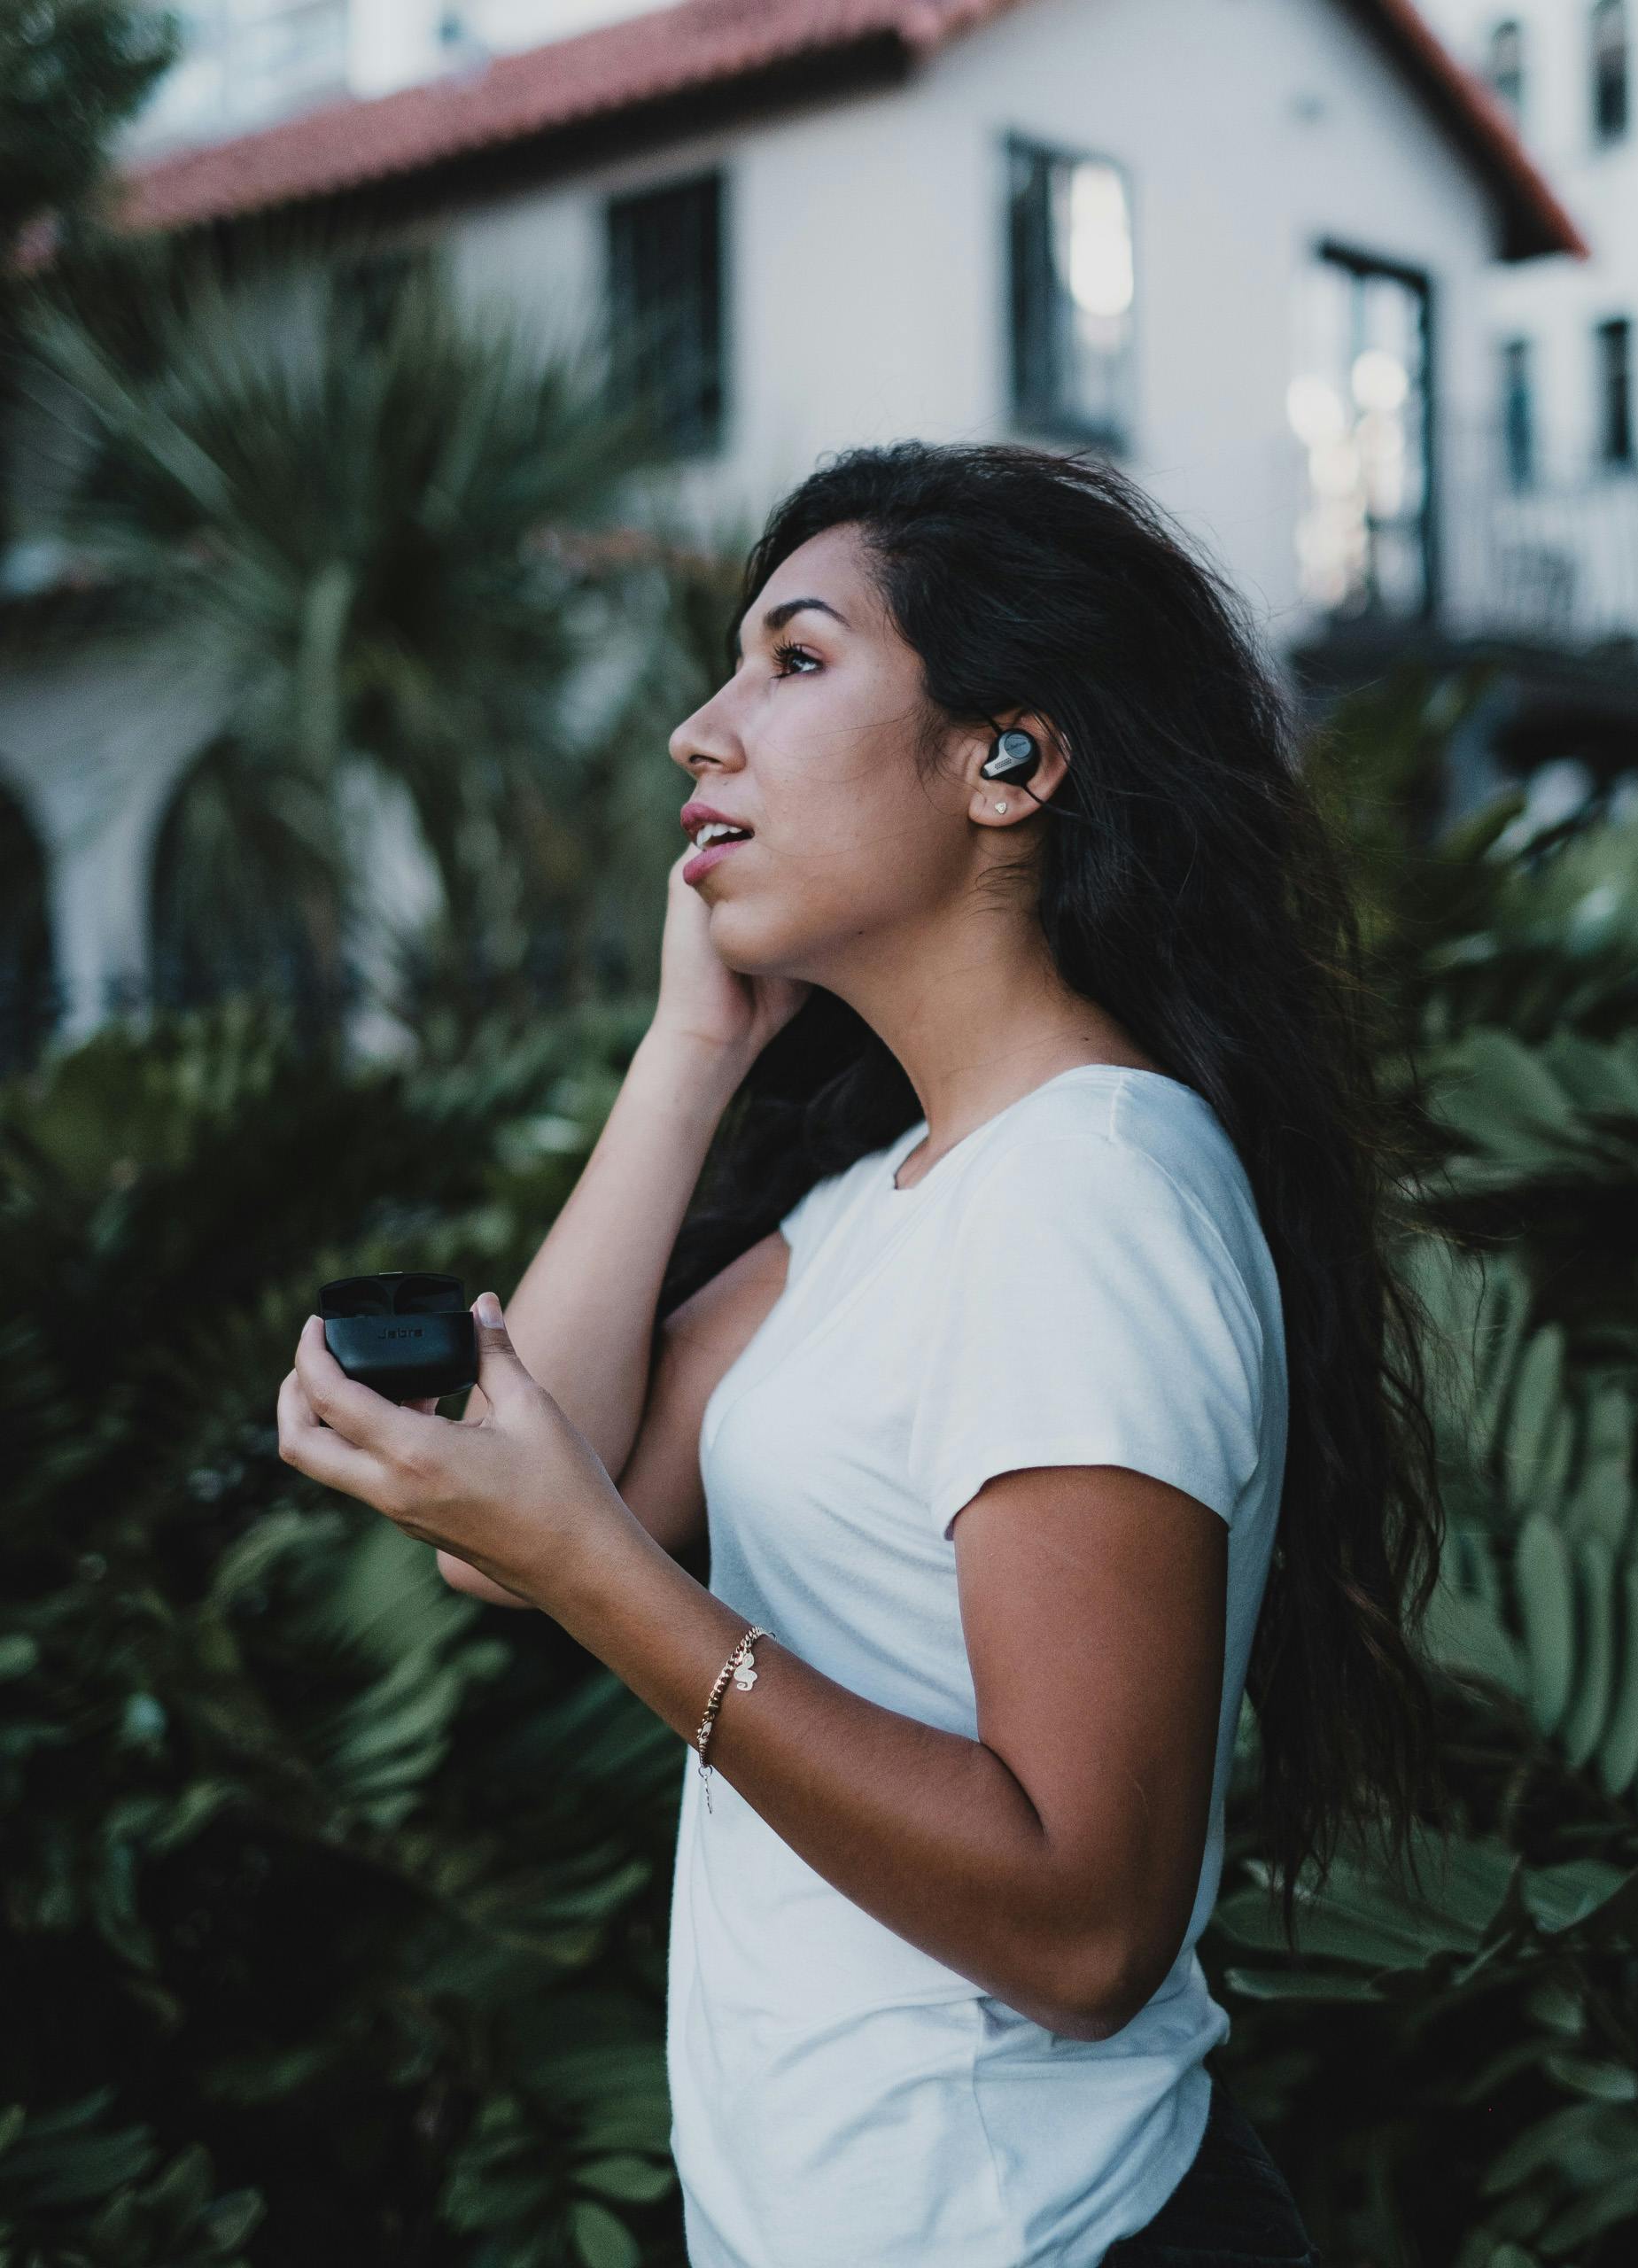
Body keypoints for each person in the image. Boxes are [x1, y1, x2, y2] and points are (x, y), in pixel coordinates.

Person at [408, 439, 1450, 2265]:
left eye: (793, 660)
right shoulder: (891, 1193)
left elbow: (1081, 1929)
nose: (697, 731)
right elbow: (514, 1504)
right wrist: (691, 1049)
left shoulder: (1087, 1191)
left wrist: (600, 1579)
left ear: (1010, 759)